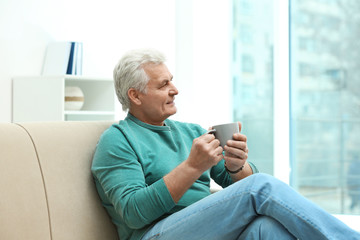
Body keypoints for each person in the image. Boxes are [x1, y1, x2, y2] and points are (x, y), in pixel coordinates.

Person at [91, 48, 360, 240]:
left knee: (267, 229)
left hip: (208, 228)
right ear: (135, 96)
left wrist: (236, 167)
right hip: (155, 233)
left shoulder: (191, 132)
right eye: (164, 85)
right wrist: (192, 167)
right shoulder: (118, 140)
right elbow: (134, 213)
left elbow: (238, 184)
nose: (175, 89)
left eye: (171, 80)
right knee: (260, 186)